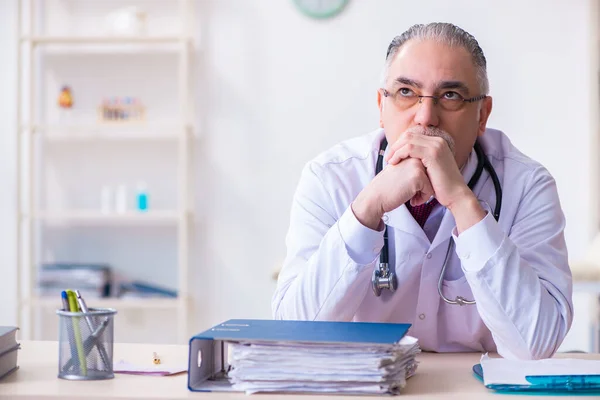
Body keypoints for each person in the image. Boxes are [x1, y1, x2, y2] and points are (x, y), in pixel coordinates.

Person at [271, 22, 573, 360]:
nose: (425, 118)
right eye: (405, 93)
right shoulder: (330, 179)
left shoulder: (527, 185)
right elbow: (294, 335)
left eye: (450, 96)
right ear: (380, 106)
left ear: (482, 114)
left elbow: (537, 345)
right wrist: (368, 208)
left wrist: (462, 203)